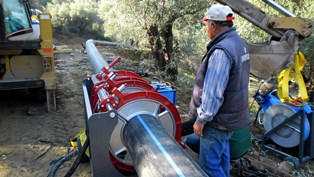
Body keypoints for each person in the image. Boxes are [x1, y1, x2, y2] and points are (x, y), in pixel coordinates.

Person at [181, 3, 251, 177]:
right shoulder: (238, 42)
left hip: (218, 121)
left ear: (213, 24)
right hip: (232, 118)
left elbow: (213, 92)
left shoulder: (221, 51)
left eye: (207, 24)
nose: (207, 28)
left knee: (209, 166)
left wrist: (202, 119)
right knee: (222, 157)